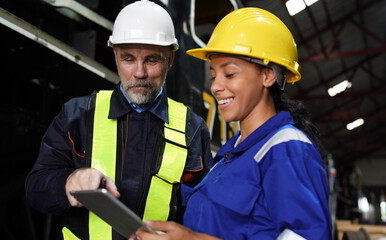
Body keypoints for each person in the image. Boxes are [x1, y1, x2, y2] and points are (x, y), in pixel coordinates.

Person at [133, 7, 332, 240]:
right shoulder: (230, 156)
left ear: (268, 76)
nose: (216, 86)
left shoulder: (287, 150)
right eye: (214, 75)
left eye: (229, 74)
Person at [25, 1, 212, 239]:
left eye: (152, 60)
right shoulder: (77, 114)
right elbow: (36, 189)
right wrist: (69, 181)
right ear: (115, 56)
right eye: (128, 59)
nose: (140, 72)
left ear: (170, 59)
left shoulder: (192, 130)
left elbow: (205, 214)